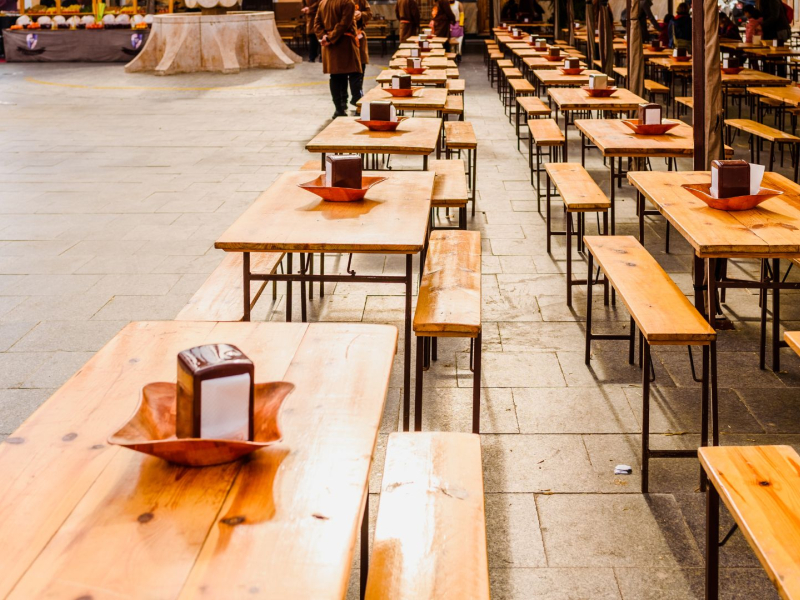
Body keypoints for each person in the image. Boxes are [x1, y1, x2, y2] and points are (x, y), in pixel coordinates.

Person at [314, 0, 362, 118]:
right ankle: (357, 102)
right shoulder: (347, 2)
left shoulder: (323, 2)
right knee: (355, 72)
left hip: (330, 45)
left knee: (335, 76)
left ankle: (339, 108)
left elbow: (316, 23)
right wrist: (330, 38)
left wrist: (324, 36)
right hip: (344, 43)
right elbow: (344, 23)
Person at [352, 0, 372, 106]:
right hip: (343, 39)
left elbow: (369, 13)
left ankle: (357, 98)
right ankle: (341, 103)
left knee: (360, 69)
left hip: (359, 37)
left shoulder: (362, 1)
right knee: (340, 75)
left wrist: (361, 14)